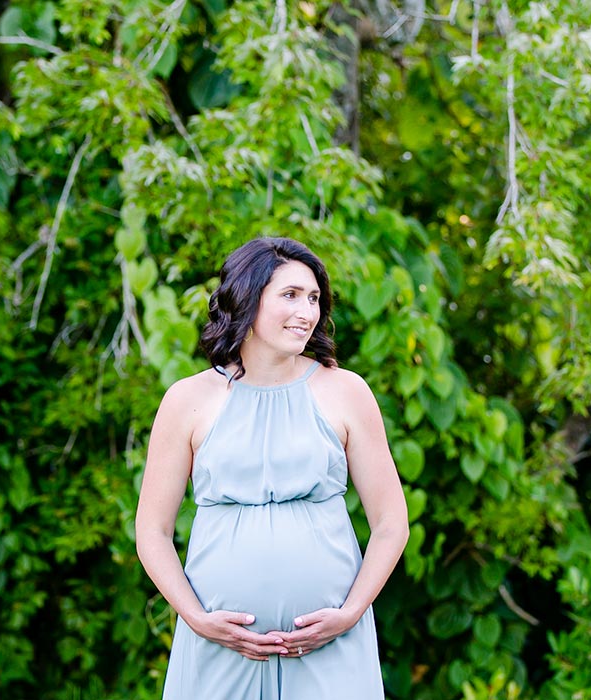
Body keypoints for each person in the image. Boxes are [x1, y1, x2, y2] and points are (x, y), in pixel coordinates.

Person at [135, 237, 409, 699]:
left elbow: (391, 523)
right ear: (246, 296)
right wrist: (196, 619)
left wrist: (351, 613)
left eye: (314, 297)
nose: (307, 311)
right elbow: (152, 531)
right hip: (220, 650)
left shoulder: (345, 391)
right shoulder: (187, 400)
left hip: (330, 647)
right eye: (290, 295)